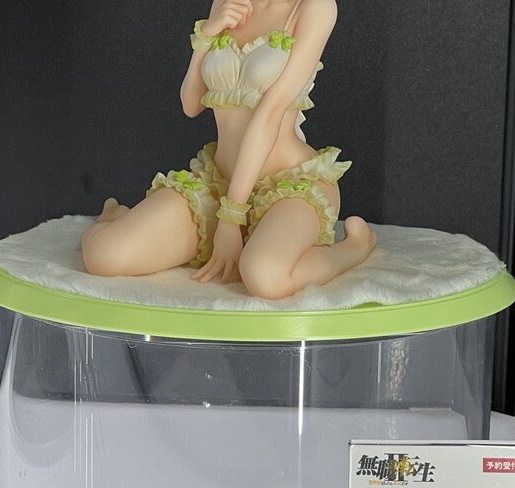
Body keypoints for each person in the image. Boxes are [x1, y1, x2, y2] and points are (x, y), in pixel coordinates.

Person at [80, 0, 376, 299]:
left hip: (289, 187)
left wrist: (231, 215)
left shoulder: (314, 7)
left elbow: (270, 114)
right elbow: (191, 105)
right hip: (219, 183)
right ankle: (115, 215)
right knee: (103, 256)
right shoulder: (226, 2)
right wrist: (206, 35)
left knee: (265, 277)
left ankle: (354, 247)